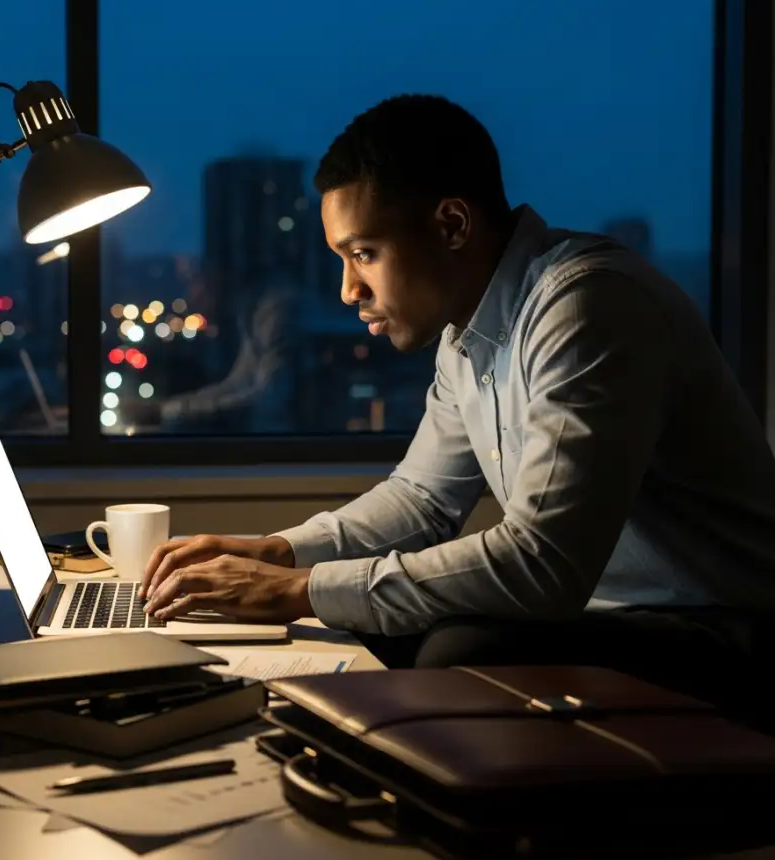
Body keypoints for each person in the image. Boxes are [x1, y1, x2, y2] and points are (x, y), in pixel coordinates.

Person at [139, 95, 775, 721]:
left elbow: (541, 564)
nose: (348, 290)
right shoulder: (465, 334)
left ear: (452, 225)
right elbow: (421, 500)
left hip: (725, 631)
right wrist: (276, 552)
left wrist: (298, 591)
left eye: (363, 254)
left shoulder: (587, 307)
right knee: (385, 625)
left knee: (455, 647)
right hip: (603, 615)